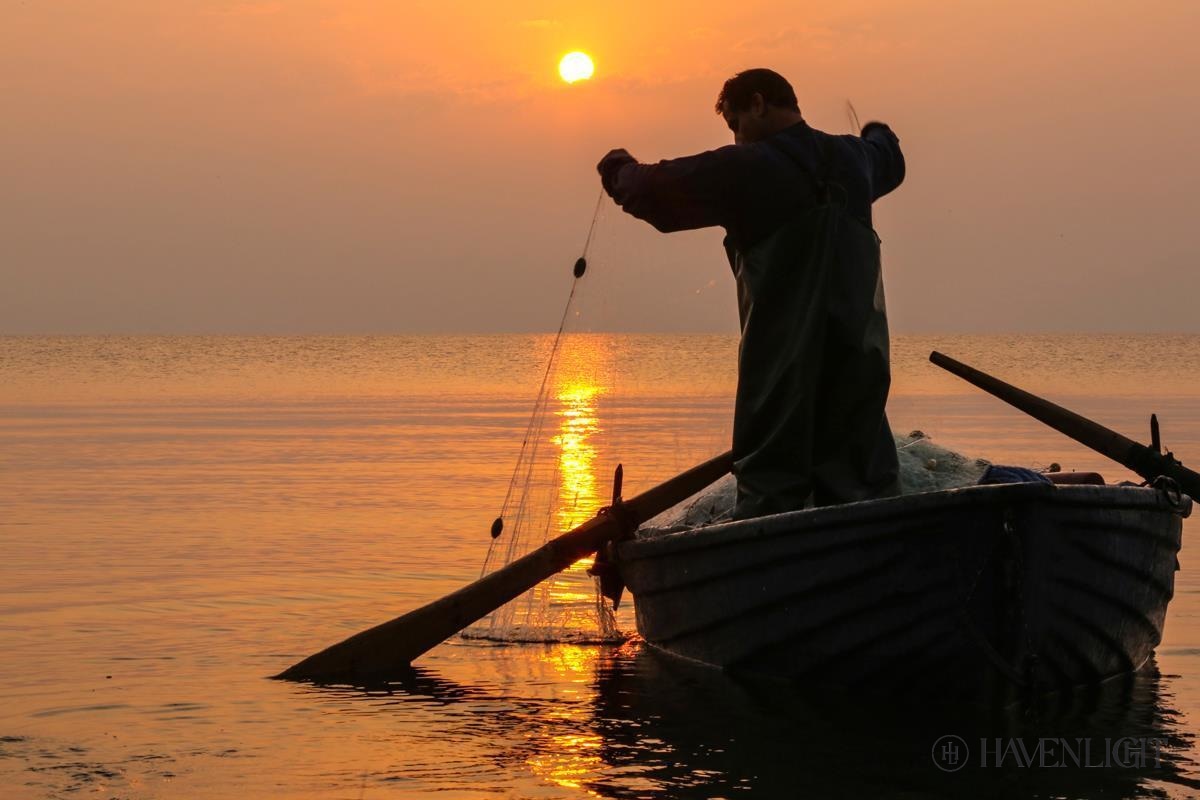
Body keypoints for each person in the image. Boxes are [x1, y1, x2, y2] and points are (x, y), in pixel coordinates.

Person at [597, 68, 905, 518]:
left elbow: (650, 190)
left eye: (736, 125)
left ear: (757, 104)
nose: (737, 138)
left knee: (771, 485)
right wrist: (875, 129)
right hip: (859, 378)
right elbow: (890, 155)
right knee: (862, 477)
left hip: (781, 376)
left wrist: (616, 167)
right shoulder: (856, 159)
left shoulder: (746, 167)